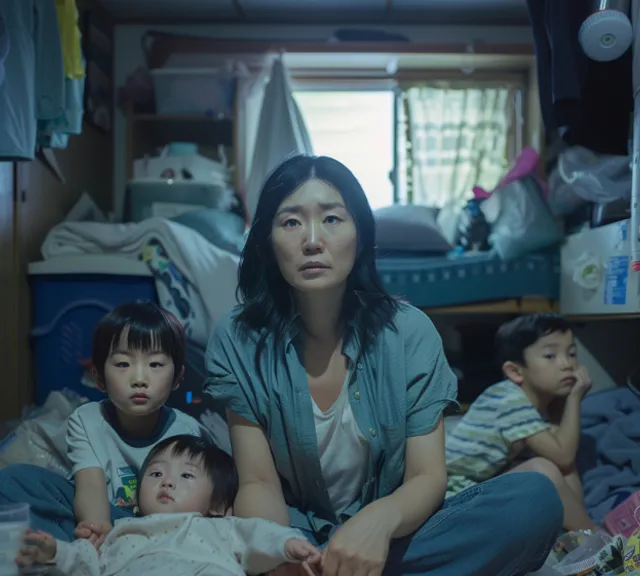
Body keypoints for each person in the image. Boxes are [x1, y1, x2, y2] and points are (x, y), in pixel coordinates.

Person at [204, 154, 564, 576]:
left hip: (395, 536)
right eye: (291, 222)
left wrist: (379, 521)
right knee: (216, 533)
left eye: (333, 219)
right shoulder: (238, 339)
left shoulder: (410, 332)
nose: (313, 240)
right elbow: (258, 483)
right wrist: (281, 553)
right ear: (268, 240)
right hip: (297, 534)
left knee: (534, 498)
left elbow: (427, 477)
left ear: (360, 235)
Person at [0, 301, 203, 543]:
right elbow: (90, 484)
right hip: (106, 518)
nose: (139, 379)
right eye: (123, 364)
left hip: (161, 528)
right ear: (99, 377)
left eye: (155, 364)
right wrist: (97, 529)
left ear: (178, 378)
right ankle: (59, 549)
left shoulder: (188, 431)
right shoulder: (87, 419)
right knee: (14, 480)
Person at [17, 434, 321, 576]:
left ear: (218, 504)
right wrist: (54, 551)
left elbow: (257, 533)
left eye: (186, 475)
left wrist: (287, 543)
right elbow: (84, 563)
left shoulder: (220, 528)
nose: (167, 482)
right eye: (157, 473)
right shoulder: (120, 531)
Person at [446, 313, 597, 532]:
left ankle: (579, 533)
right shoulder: (509, 400)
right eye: (550, 356)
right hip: (456, 495)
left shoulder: (541, 403)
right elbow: (563, 456)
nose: (567, 364)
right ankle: (595, 539)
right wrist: (574, 399)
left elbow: (564, 456)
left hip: (482, 484)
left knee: (557, 463)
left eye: (572, 353)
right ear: (515, 371)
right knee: (544, 469)